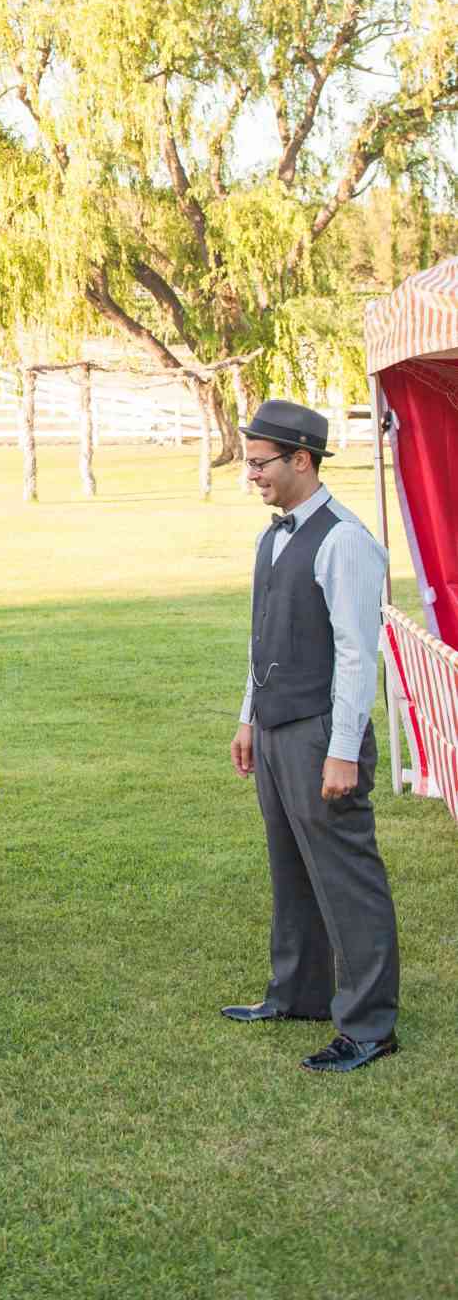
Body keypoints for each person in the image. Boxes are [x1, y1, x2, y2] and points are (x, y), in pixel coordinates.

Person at [224, 400, 400, 1073]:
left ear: (302, 459)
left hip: (320, 733)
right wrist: (247, 716)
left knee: (346, 877)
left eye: (261, 463)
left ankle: (369, 1026)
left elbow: (358, 655)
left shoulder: (344, 540)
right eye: (249, 463)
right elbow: (262, 635)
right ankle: (298, 992)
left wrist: (340, 750)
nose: (252, 475)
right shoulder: (273, 537)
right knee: (289, 865)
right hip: (274, 729)